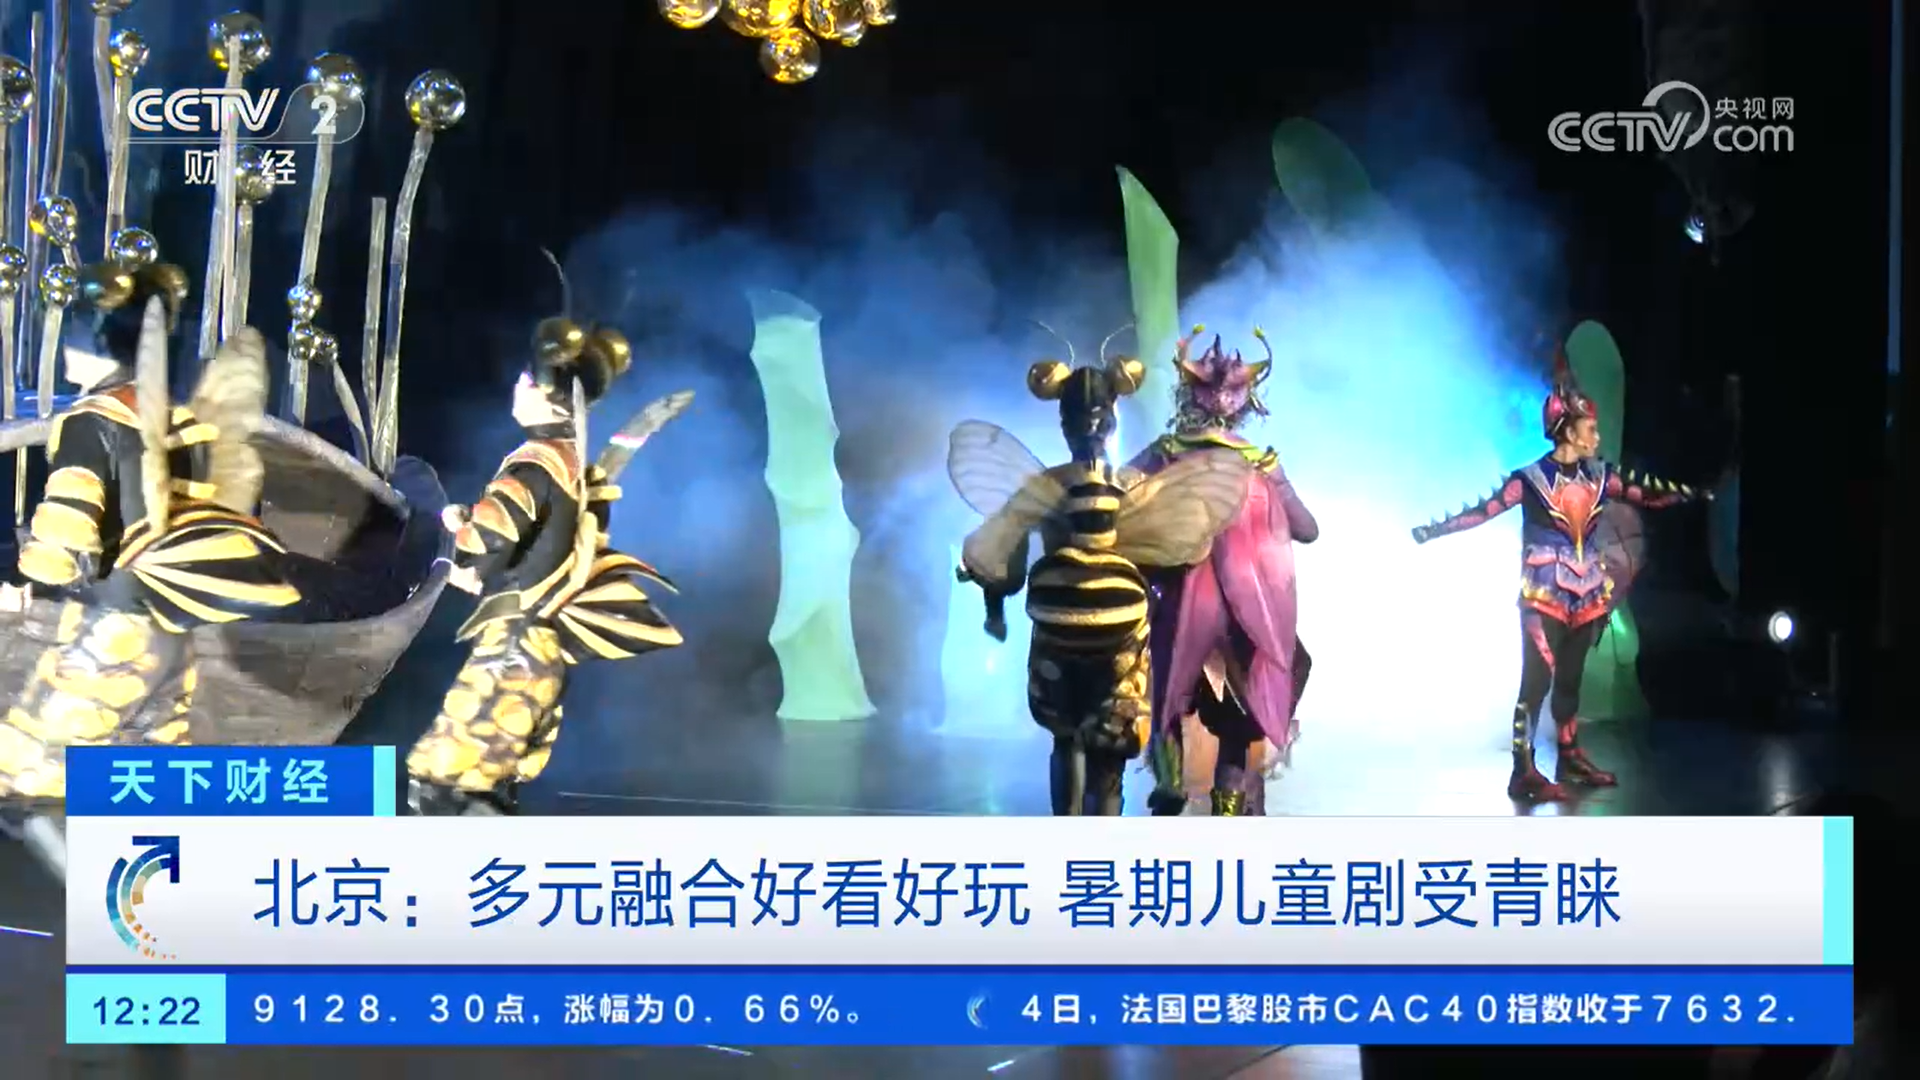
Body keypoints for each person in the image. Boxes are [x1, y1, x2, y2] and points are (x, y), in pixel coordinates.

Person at [0, 257, 300, 801]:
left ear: (90, 338)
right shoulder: (183, 416)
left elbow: (68, 524)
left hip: (115, 616)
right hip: (177, 619)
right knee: (153, 755)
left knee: (37, 764)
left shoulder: (94, 418)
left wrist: (28, 586)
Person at [949, 328, 1251, 816]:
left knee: (1065, 738)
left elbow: (1002, 545)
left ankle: (1066, 834)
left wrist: (996, 604)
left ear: (1064, 425)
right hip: (1120, 628)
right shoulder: (1133, 483)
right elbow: (1184, 548)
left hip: (1056, 620)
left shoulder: (1043, 485)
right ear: (1111, 422)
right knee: (1110, 743)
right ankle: (1103, 839)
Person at [405, 316, 686, 816]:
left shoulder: (536, 463)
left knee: (446, 778)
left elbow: (491, 536)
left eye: (524, 380)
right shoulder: (572, 465)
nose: (517, 388)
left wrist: (455, 531)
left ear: (543, 392)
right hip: (541, 643)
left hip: (515, 642)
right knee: (494, 773)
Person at [1410, 353, 1707, 801]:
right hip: (1543, 596)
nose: (1597, 436)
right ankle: (1523, 769)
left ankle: (1569, 756)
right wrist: (1435, 530)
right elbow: (1484, 511)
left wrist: (1689, 494)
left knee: (1570, 680)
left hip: (1585, 595)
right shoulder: (1530, 479)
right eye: (1591, 428)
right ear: (1569, 430)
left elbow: (1646, 493)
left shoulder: (1601, 476)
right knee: (1536, 683)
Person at [1132, 326, 1318, 817]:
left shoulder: (1164, 453)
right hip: (1241, 612)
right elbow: (1307, 529)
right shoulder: (1262, 465)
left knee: (1165, 696)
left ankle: (1169, 785)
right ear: (1246, 402)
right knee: (1253, 703)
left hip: (1173, 604)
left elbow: (1120, 502)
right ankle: (1229, 810)